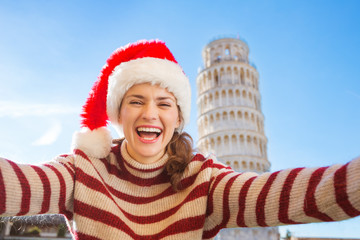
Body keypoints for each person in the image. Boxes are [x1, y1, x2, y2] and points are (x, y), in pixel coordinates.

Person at [0, 39, 359, 240]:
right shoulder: (83, 169)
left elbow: (285, 196)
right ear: (118, 114)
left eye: (164, 104)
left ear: (178, 118)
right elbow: (22, 185)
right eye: (135, 101)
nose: (150, 114)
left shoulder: (201, 178)